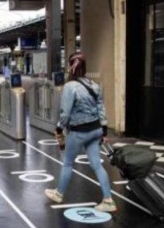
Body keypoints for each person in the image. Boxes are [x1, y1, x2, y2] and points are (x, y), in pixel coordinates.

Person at [44, 52, 117, 213]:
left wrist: (58, 129)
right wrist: (104, 130)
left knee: (68, 163)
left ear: (70, 67)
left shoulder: (70, 87)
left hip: (79, 132)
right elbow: (101, 108)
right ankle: (108, 200)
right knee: (97, 165)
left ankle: (58, 194)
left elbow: (65, 113)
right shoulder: (94, 85)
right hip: (96, 130)